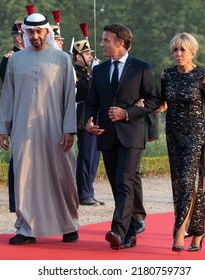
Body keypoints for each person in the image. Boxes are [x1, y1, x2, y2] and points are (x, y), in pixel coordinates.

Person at [0, 12, 79, 245]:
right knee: (24, 176)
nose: (34, 36)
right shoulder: (15, 60)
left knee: (62, 174)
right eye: (30, 32)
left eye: (39, 31)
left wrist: (69, 129)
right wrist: (3, 127)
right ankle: (26, 227)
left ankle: (69, 223)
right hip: (23, 128)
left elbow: (69, 98)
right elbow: (8, 96)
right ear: (25, 33)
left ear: (47, 32)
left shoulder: (61, 59)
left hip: (55, 127)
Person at [85, 23, 161, 250]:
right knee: (116, 185)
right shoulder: (98, 70)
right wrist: (88, 122)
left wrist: (127, 113)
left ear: (121, 43)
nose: (101, 44)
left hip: (132, 135)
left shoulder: (141, 68)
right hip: (106, 136)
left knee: (125, 182)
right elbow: (92, 103)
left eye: (106, 40)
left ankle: (118, 229)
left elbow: (154, 100)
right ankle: (128, 234)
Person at [160, 33, 205, 252]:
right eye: (175, 50)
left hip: (194, 134)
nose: (178, 54)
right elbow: (162, 103)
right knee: (181, 185)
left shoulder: (202, 76)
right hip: (173, 134)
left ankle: (179, 230)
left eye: (182, 50)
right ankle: (199, 232)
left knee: (186, 181)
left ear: (192, 52)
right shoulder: (167, 75)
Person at [72, 38, 104, 206]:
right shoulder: (76, 74)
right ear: (78, 56)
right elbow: (87, 92)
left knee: (94, 156)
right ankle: (83, 193)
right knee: (86, 156)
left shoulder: (89, 73)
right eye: (86, 54)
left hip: (94, 117)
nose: (90, 57)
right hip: (83, 118)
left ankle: (89, 190)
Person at [0, 20, 25, 213]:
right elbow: (10, 91)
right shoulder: (10, 58)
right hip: (18, 111)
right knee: (18, 157)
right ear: (18, 37)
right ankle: (15, 201)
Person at [133, 112, 160, 234]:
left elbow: (150, 98)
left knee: (134, 172)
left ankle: (137, 216)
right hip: (115, 126)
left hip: (138, 128)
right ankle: (124, 217)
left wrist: (153, 128)